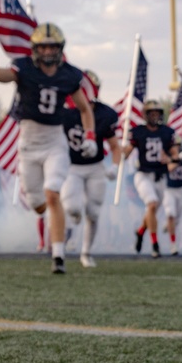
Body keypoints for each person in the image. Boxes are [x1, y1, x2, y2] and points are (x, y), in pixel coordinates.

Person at [0, 22, 97, 274]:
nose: (48, 52)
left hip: (54, 139)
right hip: (28, 140)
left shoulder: (69, 74)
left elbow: (84, 108)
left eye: (53, 47)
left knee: (52, 195)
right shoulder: (23, 68)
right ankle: (55, 220)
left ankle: (58, 255)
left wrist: (90, 135)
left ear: (60, 49)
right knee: (38, 203)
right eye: (44, 47)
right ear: (36, 49)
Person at [60, 70, 121, 268]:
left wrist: (114, 166)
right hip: (72, 167)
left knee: (93, 212)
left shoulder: (104, 114)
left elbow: (115, 146)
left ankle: (86, 252)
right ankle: (71, 226)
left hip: (95, 167)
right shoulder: (66, 111)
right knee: (72, 208)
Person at [127, 100, 178, 258]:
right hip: (143, 175)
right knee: (152, 204)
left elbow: (175, 154)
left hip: (160, 176)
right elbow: (127, 151)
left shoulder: (167, 132)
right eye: (152, 113)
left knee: (152, 209)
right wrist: (121, 151)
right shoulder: (138, 132)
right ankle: (155, 245)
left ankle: (141, 231)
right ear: (146, 115)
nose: (155, 116)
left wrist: (170, 159)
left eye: (158, 113)